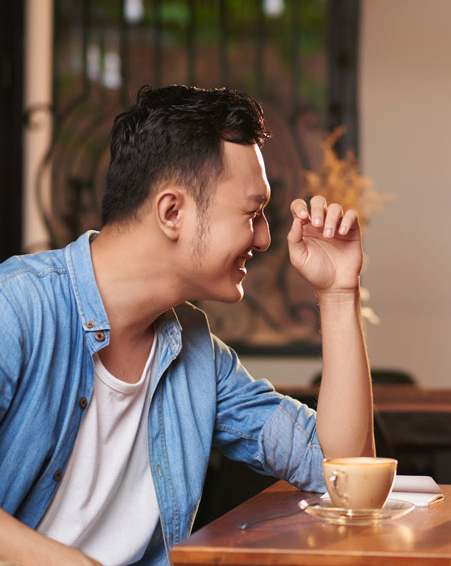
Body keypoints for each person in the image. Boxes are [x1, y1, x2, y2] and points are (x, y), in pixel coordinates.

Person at [0, 85, 375, 566]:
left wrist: (339, 292)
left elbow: (343, 473)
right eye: (253, 213)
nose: (264, 239)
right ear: (172, 212)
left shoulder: (197, 354)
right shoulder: (17, 308)